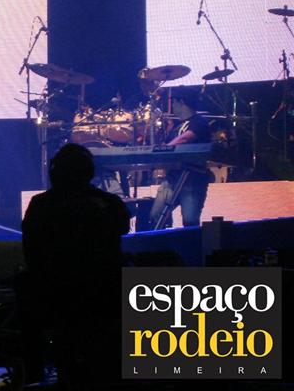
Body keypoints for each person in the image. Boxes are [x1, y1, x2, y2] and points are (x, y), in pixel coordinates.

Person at [21, 143, 130, 384]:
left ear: (55, 172)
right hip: (105, 297)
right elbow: (122, 230)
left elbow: (31, 251)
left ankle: (35, 373)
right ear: (89, 171)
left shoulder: (41, 204)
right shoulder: (109, 203)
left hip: (58, 297)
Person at [149, 86, 211, 228]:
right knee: (156, 215)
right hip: (172, 178)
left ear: (181, 102)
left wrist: (163, 149)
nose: (172, 106)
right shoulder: (177, 125)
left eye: (174, 102)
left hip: (193, 178)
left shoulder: (199, 122)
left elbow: (184, 139)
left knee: (190, 221)